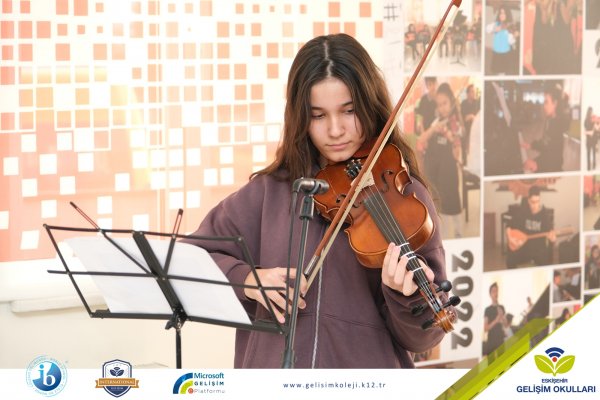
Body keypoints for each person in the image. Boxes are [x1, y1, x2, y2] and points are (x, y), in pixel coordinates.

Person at [182, 33, 450, 368]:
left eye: (349, 111)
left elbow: (425, 337)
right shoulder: (269, 191)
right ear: (300, 118)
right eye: (318, 115)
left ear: (370, 106)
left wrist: (404, 295)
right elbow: (191, 256)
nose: (335, 130)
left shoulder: (406, 196)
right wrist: (249, 280)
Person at [417, 82, 464, 239]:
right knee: (436, 204)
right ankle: (440, 236)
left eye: (445, 103)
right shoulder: (436, 121)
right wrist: (434, 129)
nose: (442, 108)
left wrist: (451, 137)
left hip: (448, 171)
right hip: (433, 168)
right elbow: (422, 139)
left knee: (452, 202)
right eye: (439, 104)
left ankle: (457, 234)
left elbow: (457, 153)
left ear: (451, 103)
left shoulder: (455, 123)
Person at [522, 83, 569, 173]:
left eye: (546, 102)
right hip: (546, 162)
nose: (544, 106)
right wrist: (531, 145)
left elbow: (555, 157)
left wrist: (537, 164)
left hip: (552, 168)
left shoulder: (557, 125)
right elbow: (545, 144)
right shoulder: (550, 120)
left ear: (555, 103)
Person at [505, 185, 556, 268]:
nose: (535, 205)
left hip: (538, 248)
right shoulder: (523, 211)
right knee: (511, 258)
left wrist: (553, 239)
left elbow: (551, 233)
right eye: (533, 202)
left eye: (537, 201)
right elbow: (509, 225)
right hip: (525, 246)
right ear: (528, 201)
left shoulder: (544, 215)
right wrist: (510, 238)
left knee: (545, 260)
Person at [486, 5, 515, 75]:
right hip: (496, 52)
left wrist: (511, 34)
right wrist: (494, 29)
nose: (501, 15)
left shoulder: (509, 26)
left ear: (507, 14)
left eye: (504, 13)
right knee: (497, 71)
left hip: (505, 53)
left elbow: (511, 42)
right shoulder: (496, 24)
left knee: (503, 72)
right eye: (500, 13)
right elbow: (487, 29)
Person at [483, 282, 508, 356]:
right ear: (490, 294)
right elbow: (486, 328)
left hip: (500, 340)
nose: (496, 293)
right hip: (491, 341)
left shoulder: (502, 307)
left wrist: (502, 317)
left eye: (497, 291)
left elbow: (506, 325)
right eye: (493, 291)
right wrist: (496, 320)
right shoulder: (487, 309)